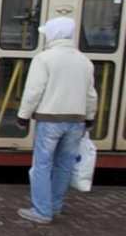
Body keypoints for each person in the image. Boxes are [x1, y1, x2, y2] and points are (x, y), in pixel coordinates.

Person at [15, 16, 97, 224]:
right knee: (63, 165)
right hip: (76, 121)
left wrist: (23, 116)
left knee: (41, 166)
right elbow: (90, 94)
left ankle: (42, 211)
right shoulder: (84, 61)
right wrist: (89, 117)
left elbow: (34, 91)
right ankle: (55, 206)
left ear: (54, 34)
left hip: (50, 120)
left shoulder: (44, 58)